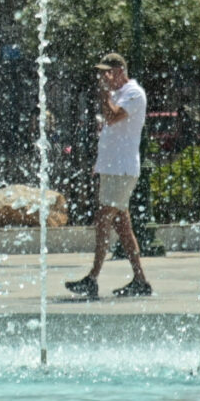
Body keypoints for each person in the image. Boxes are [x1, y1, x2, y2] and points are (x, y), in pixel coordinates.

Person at [65, 52, 152, 299]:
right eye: (102, 73)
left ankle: (92, 278)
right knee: (123, 227)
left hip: (122, 170)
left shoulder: (135, 94)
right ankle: (140, 280)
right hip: (112, 169)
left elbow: (113, 118)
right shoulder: (118, 95)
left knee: (102, 219)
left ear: (121, 71)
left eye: (108, 72)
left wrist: (104, 93)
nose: (104, 77)